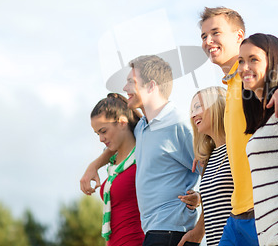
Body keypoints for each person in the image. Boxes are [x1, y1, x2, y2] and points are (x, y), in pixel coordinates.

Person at [199, 7, 278, 246]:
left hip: (266, 210)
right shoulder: (232, 87)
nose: (208, 41)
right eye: (203, 36)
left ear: (238, 35)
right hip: (236, 212)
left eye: (215, 32)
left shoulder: (254, 79)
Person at [81, 55, 200, 246]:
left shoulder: (179, 125)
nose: (125, 88)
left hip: (173, 232)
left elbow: (213, 170)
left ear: (151, 86)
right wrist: (93, 165)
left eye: (131, 82)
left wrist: (200, 211)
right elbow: (118, 143)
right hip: (154, 232)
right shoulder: (142, 128)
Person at [238, 33, 278, 246]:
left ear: (273, 63)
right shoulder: (263, 121)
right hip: (268, 237)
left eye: (253, 59)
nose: (244, 67)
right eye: (241, 61)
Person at [178, 86, 234, 246]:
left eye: (198, 107)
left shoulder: (236, 149)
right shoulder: (209, 158)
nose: (193, 114)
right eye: (192, 110)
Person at [90, 93, 145, 245]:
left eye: (103, 131)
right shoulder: (114, 165)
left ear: (122, 122)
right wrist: (93, 166)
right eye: (97, 134)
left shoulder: (143, 155)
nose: (101, 139)